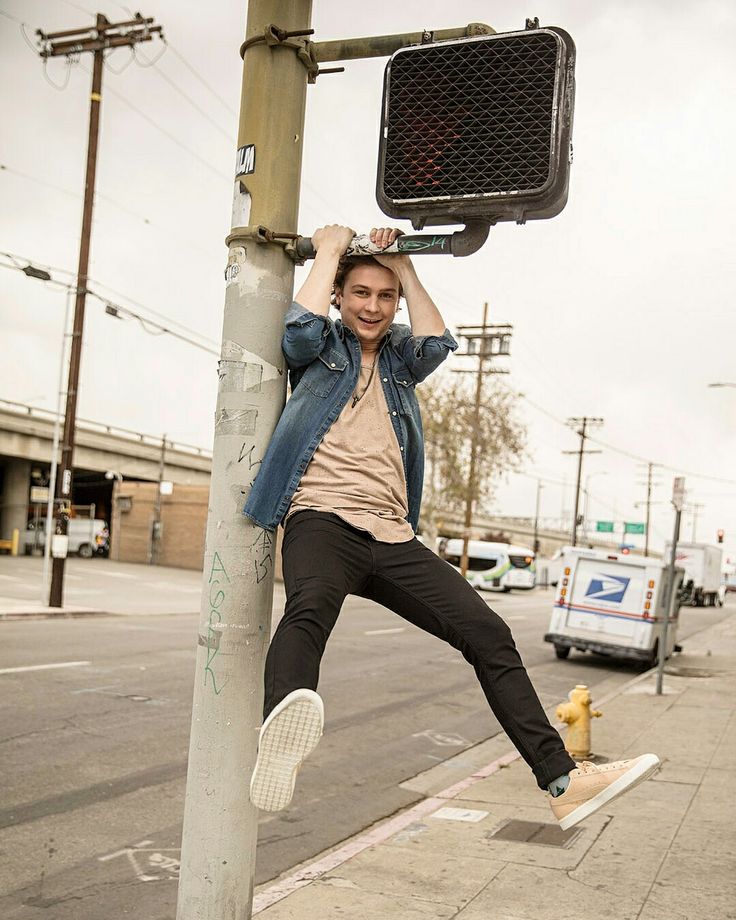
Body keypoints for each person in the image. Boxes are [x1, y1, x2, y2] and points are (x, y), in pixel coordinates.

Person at [244, 224, 660, 827]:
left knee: (489, 634)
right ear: (339, 295)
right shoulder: (323, 347)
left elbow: (438, 342)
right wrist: (331, 250)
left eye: (385, 298)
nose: (373, 307)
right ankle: (282, 731)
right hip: (322, 517)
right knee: (309, 607)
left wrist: (405, 265)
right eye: (360, 293)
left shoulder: (399, 363)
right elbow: (297, 331)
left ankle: (562, 781)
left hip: (391, 536)